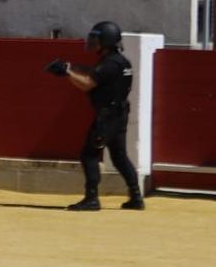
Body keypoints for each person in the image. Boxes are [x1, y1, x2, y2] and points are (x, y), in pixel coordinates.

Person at [48, 20, 144, 212]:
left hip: (107, 117)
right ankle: (136, 197)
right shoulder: (120, 61)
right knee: (119, 156)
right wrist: (71, 66)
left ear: (106, 40)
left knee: (89, 155)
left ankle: (92, 199)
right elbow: (95, 74)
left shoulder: (109, 63)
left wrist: (67, 72)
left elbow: (88, 83)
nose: (92, 41)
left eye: (96, 38)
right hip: (119, 114)